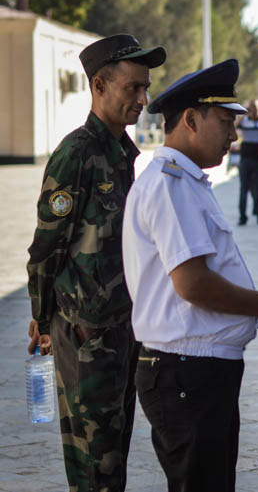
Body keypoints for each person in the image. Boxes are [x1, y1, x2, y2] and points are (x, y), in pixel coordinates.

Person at [122, 59, 258, 492]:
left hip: (197, 369)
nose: (234, 135)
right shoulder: (170, 185)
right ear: (189, 120)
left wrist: (255, 310)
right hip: (186, 371)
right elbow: (193, 284)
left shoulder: (186, 182)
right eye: (225, 122)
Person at [25, 34, 166, 491]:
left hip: (121, 329)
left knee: (114, 454)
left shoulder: (121, 153)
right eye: (132, 88)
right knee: (94, 467)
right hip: (86, 334)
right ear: (100, 85)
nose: (142, 99)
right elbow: (47, 247)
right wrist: (43, 319)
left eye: (145, 88)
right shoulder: (77, 154)